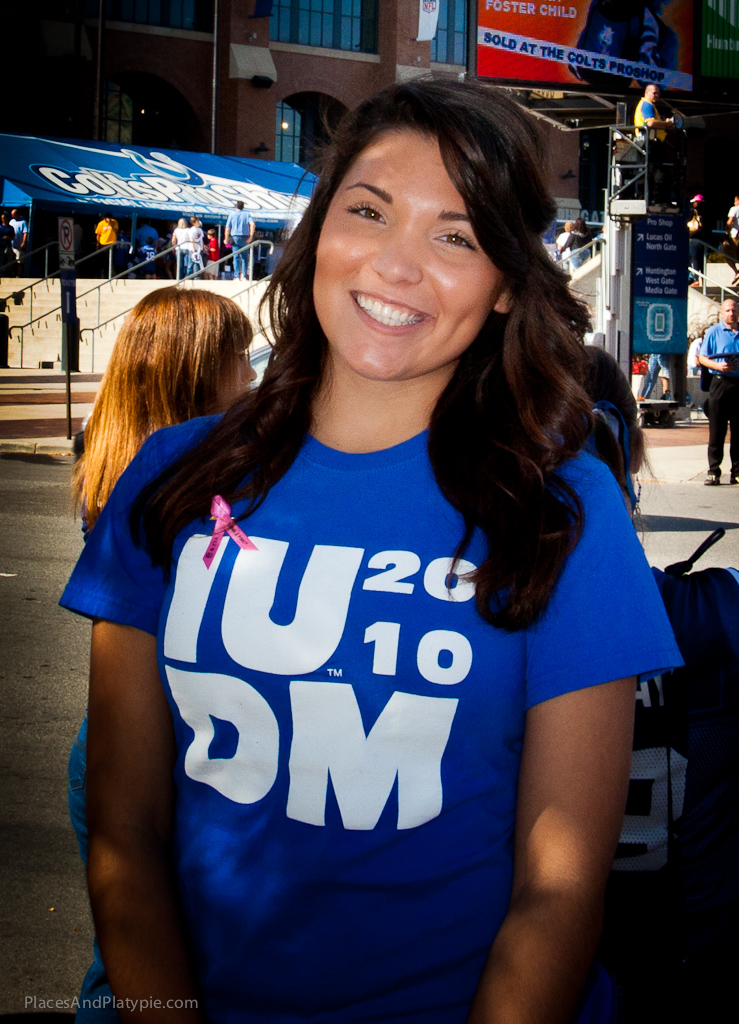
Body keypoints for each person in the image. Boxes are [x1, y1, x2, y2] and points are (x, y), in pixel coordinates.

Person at [60, 80, 680, 1024]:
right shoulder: (172, 477)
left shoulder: (561, 511)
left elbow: (556, 892)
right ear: (318, 230)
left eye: (456, 236)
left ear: (508, 281)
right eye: (367, 211)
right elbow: (122, 830)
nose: (396, 265)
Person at [67, 287, 256, 1021]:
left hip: (110, 741)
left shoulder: (108, 449)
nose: (252, 378)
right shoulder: (190, 479)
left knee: (122, 963)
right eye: (239, 360)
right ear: (196, 371)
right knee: (157, 967)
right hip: (179, 744)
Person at [582, 346, 739, 1024]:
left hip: (553, 969)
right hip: (700, 961)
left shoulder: (477, 636)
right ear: (630, 464)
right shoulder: (718, 612)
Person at [698, 297, 739, 485]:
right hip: (720, 383)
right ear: (721, 313)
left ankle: (737, 472)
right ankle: (714, 471)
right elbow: (702, 358)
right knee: (717, 430)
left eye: (734, 310)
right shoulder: (714, 332)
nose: (732, 313)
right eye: (728, 310)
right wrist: (717, 365)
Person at [634, 84, 676, 206]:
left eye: (658, 93)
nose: (657, 96)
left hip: (646, 142)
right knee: (662, 171)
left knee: (650, 172)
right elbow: (651, 123)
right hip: (650, 142)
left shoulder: (648, 105)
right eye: (654, 93)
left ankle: (648, 199)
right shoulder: (647, 104)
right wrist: (666, 124)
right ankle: (660, 200)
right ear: (647, 93)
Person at [224, 199, 255, 280]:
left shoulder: (232, 214)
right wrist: (251, 236)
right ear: (243, 207)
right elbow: (252, 224)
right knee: (245, 258)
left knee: (236, 257)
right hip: (245, 237)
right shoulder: (247, 214)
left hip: (235, 237)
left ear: (235, 206)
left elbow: (227, 228)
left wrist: (226, 239)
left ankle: (236, 276)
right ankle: (244, 276)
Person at [687, 194, 704, 286]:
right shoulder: (705, 211)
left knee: (694, 259)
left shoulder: (693, 211)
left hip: (694, 239)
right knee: (701, 260)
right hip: (703, 240)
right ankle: (702, 281)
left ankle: (695, 279)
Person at [722, 195, 739, 285]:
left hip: (735, 236)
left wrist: (726, 230)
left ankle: (736, 271)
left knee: (725, 252)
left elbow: (730, 220)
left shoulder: (734, 209)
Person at [9, 207, 28, 276]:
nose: (12, 216)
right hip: (12, 244)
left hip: (19, 244)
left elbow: (25, 233)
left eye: (13, 214)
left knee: (19, 260)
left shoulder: (23, 222)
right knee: (10, 260)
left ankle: (18, 274)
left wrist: (24, 242)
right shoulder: (11, 221)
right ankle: (12, 273)